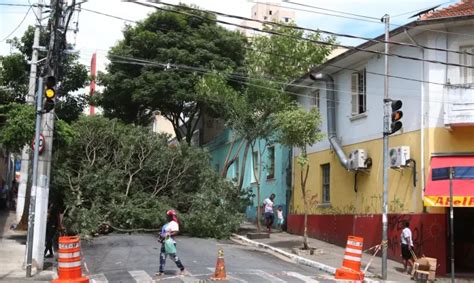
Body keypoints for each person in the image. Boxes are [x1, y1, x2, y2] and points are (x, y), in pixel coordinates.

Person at [156, 210, 186, 276]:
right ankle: (161, 271)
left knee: (173, 257)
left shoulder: (174, 223)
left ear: (171, 216)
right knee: (162, 256)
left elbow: (176, 232)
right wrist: (161, 237)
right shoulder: (168, 224)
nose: (167, 217)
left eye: (168, 216)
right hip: (164, 242)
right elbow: (164, 233)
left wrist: (168, 235)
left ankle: (182, 269)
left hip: (171, 243)